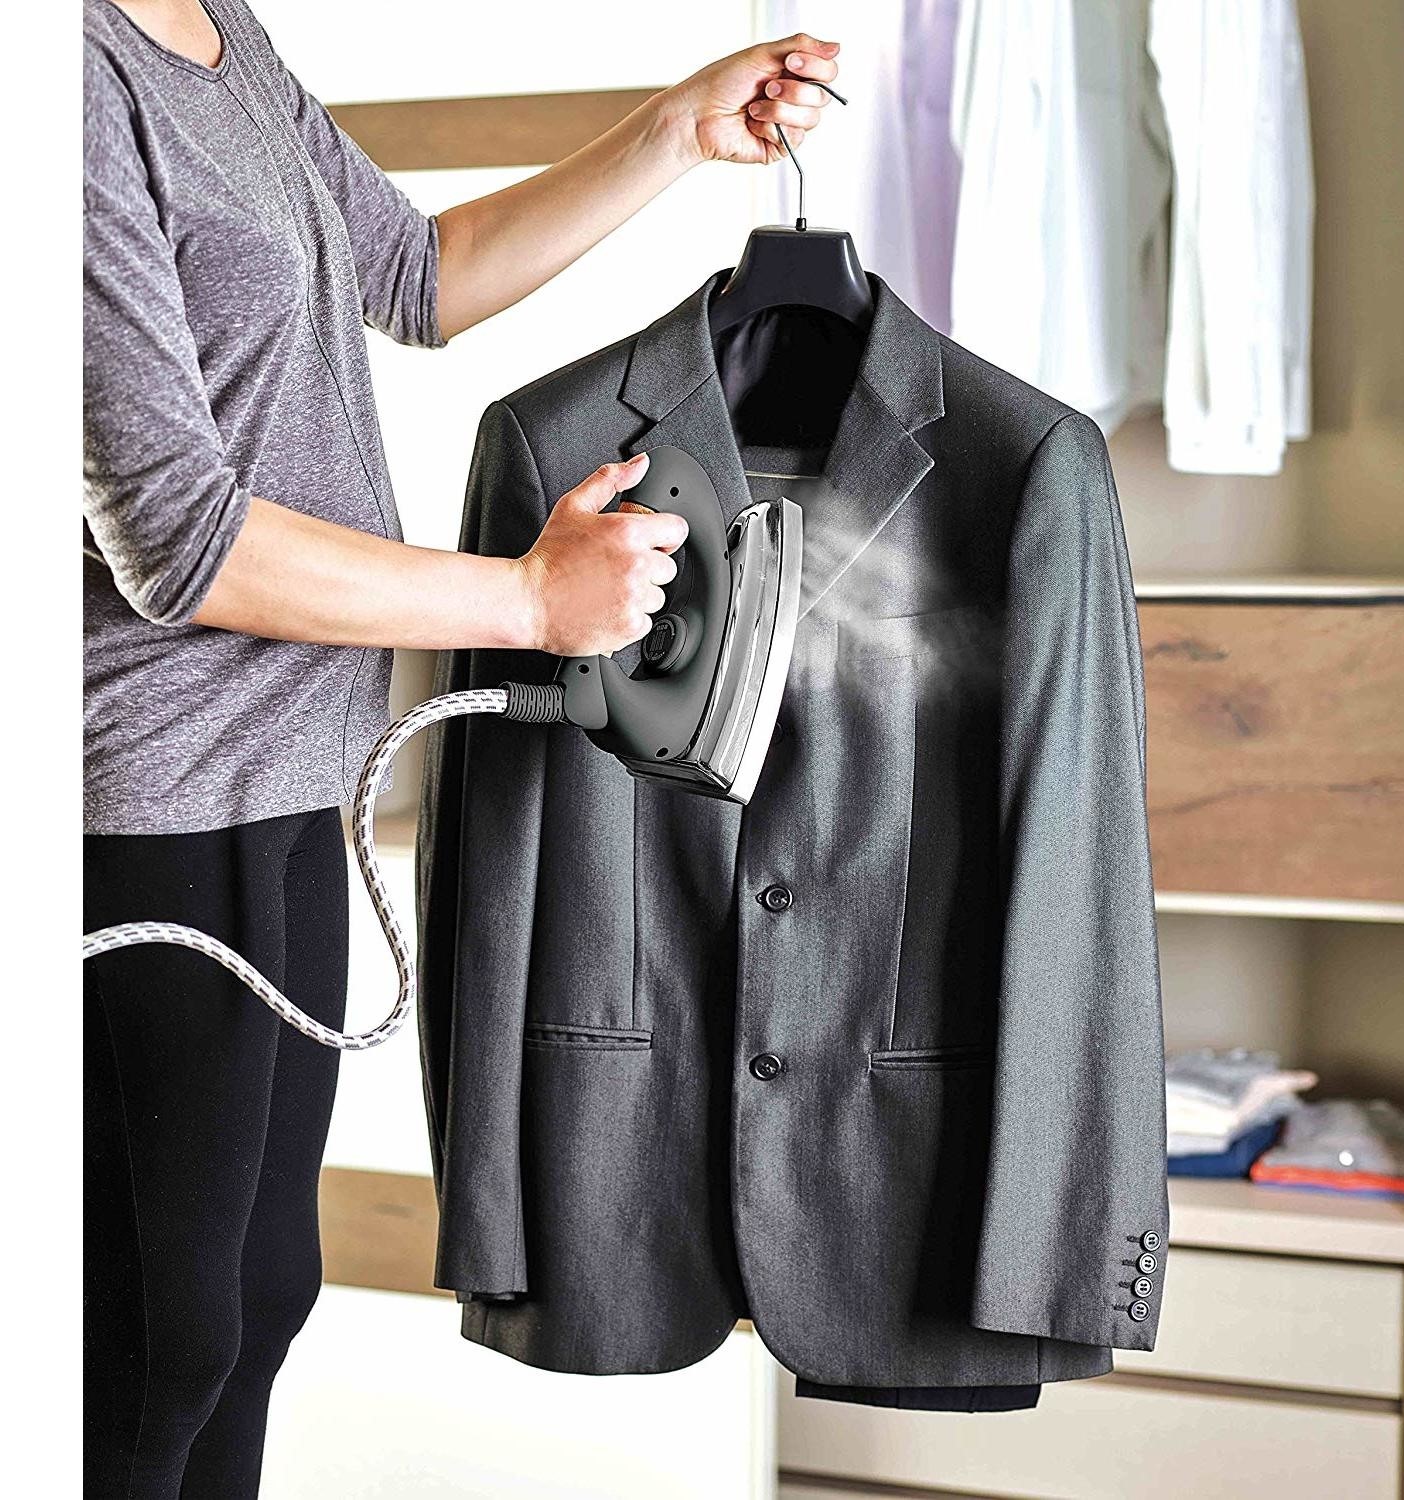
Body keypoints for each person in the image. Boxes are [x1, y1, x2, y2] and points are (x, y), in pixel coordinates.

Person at [82, 2, 840, 1493]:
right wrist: (529, 603)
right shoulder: (61, 77)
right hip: (148, 798)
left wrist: (677, 131)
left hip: (295, 773)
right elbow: (174, 537)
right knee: (152, 1344)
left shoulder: (216, 27)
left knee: (248, 1309)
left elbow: (416, 276)